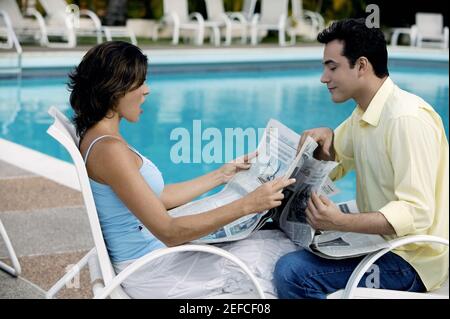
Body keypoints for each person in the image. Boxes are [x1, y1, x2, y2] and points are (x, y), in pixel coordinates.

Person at [69, 41, 295, 298]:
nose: (147, 90)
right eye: (139, 83)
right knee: (282, 260)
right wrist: (248, 204)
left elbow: (158, 198)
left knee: (271, 242)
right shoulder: (109, 151)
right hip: (154, 271)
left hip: (154, 258)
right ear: (114, 89)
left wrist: (222, 174)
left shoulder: (100, 139)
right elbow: (169, 232)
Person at [274, 18, 449, 299]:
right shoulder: (364, 114)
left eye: (332, 67)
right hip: (381, 243)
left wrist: (339, 222)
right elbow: (334, 163)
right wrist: (321, 143)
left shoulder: (406, 119)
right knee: (281, 239)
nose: (323, 77)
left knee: (292, 273)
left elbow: (417, 213)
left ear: (362, 66)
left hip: (413, 260)